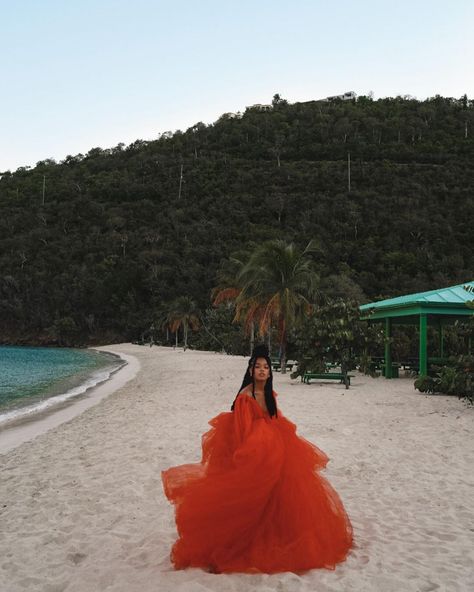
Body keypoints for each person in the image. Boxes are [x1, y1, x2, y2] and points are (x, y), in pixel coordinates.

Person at [161, 344, 353, 574]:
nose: (262, 370)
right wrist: (252, 454)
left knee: (287, 489)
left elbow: (275, 419)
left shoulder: (269, 395)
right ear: (250, 370)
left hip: (274, 449)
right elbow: (243, 430)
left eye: (265, 367)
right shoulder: (245, 396)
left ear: (270, 372)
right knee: (250, 499)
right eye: (257, 367)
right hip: (254, 452)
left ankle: (280, 534)